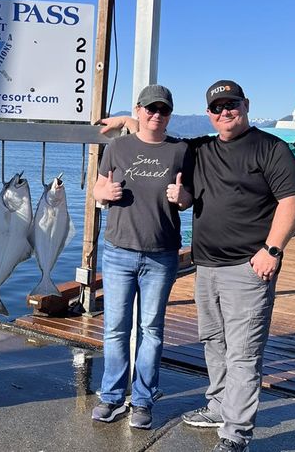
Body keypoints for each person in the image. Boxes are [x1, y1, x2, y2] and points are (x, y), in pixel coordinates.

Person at [99, 80, 295, 452]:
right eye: (217, 107)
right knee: (214, 341)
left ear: (246, 104)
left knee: (243, 351)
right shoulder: (200, 148)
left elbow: (292, 202)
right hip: (205, 265)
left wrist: (272, 250)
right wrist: (128, 120)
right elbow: (154, 134)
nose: (225, 111)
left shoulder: (272, 149)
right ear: (209, 114)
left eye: (232, 104)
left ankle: (236, 433)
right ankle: (219, 406)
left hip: (249, 266)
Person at [91, 85, 193, 430]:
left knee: (152, 330)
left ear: (170, 114)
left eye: (163, 110)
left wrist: (183, 197)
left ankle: (144, 400)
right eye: (150, 109)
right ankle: (112, 396)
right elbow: (97, 188)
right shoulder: (118, 146)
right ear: (138, 110)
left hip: (162, 255)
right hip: (119, 251)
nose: (156, 115)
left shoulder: (181, 150)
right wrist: (102, 192)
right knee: (115, 329)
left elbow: (191, 197)